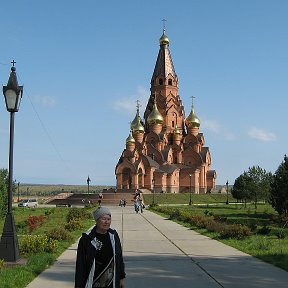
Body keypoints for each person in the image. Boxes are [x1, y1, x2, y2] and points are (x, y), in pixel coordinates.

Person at [75, 207, 125, 288]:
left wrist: (122, 277)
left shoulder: (113, 236)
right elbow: (80, 265)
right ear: (97, 220)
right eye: (103, 219)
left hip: (111, 281)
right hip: (93, 281)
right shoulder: (87, 239)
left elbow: (119, 258)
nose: (106, 222)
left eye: (108, 219)